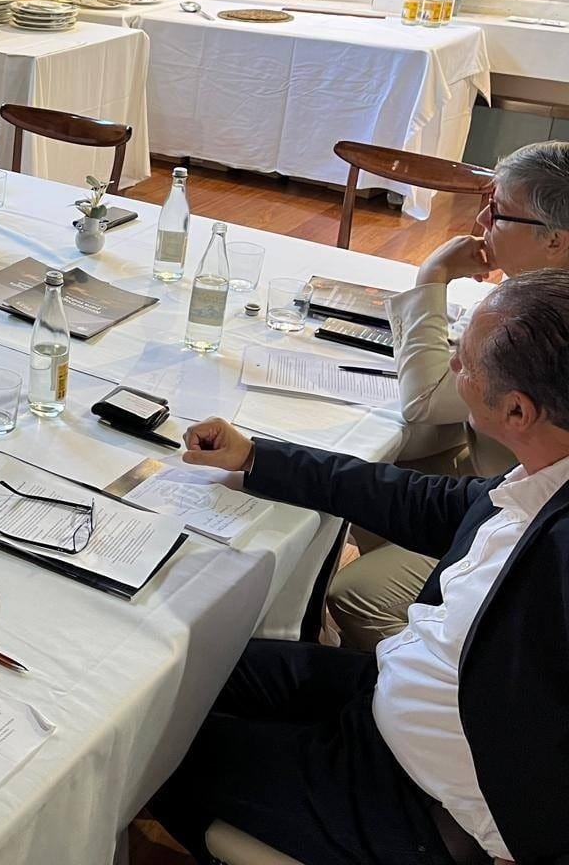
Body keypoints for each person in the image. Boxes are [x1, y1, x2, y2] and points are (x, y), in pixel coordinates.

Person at [151, 269, 569, 865]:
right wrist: (258, 457)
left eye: (465, 361)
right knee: (179, 668)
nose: (452, 365)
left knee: (149, 753)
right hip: (380, 699)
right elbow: (422, 501)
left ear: (518, 411)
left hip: (414, 805)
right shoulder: (544, 474)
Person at [329, 140, 569, 650]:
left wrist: (432, 277)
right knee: (369, 470)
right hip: (492, 479)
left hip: (525, 521)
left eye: (498, 211)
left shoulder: (546, 328)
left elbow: (428, 400)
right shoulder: (541, 290)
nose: (480, 220)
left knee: (356, 593)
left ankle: (417, 676)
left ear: (555, 240)